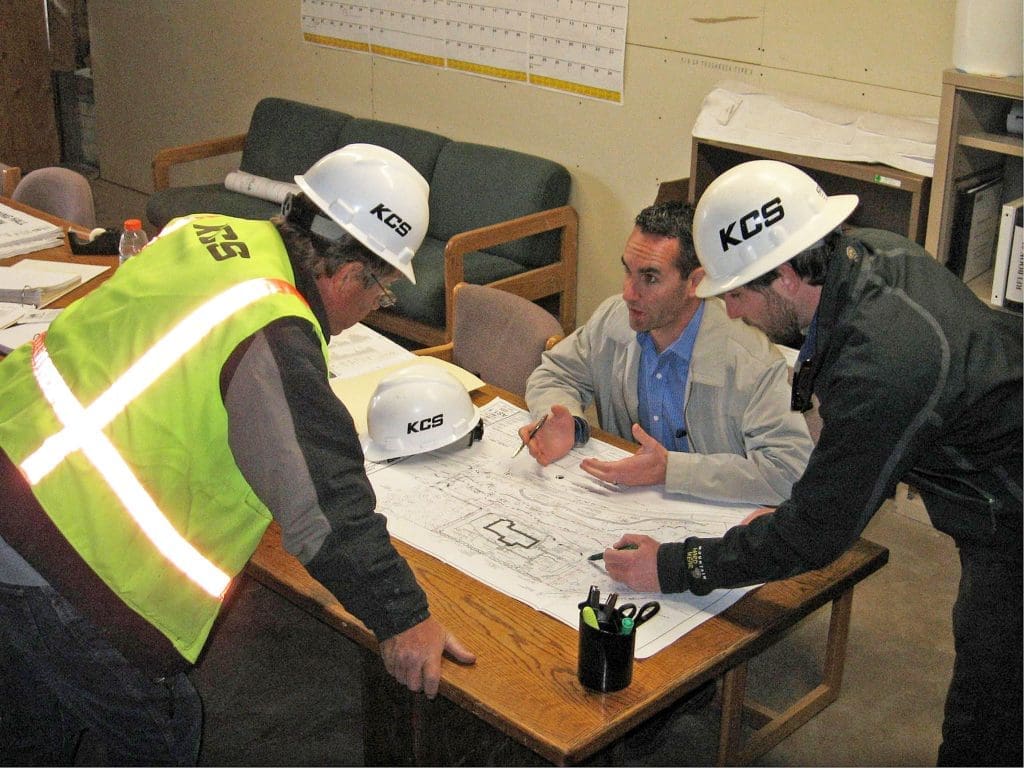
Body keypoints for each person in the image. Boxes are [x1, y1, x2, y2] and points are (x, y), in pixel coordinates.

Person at [0, 144, 475, 765]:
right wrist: (403, 618)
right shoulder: (272, 322)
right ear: (351, 272)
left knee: (31, 718)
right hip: (64, 544)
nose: (367, 314)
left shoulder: (208, 233)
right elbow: (323, 501)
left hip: (16, 476)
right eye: (380, 294)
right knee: (159, 735)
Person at [603, 160, 1022, 766]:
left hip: (1010, 511)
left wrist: (675, 565)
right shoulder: (871, 255)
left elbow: (818, 535)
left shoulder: (887, 366)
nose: (732, 313)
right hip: (991, 452)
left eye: (739, 294)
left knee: (990, 708)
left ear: (787, 273)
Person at [520, 199, 813, 506]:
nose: (628, 293)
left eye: (650, 278)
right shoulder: (614, 316)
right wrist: (568, 423)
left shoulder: (753, 361)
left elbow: (789, 471)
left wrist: (671, 471)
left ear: (696, 282)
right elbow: (555, 374)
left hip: (712, 519)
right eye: (628, 271)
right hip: (624, 504)